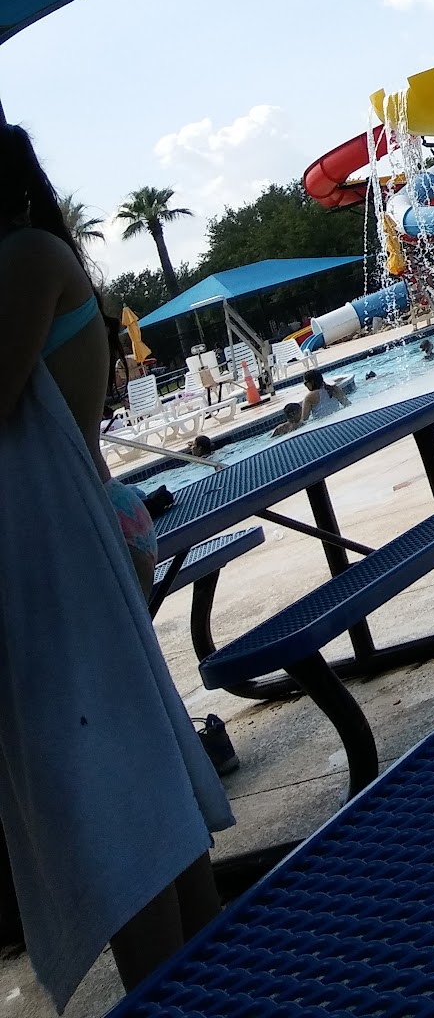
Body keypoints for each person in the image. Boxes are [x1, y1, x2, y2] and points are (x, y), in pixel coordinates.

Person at [0, 123, 231, 1006]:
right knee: (135, 766)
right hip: (87, 530)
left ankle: (170, 987)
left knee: (113, 787)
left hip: (72, 544)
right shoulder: (34, 254)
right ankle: (201, 976)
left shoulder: (25, 258)